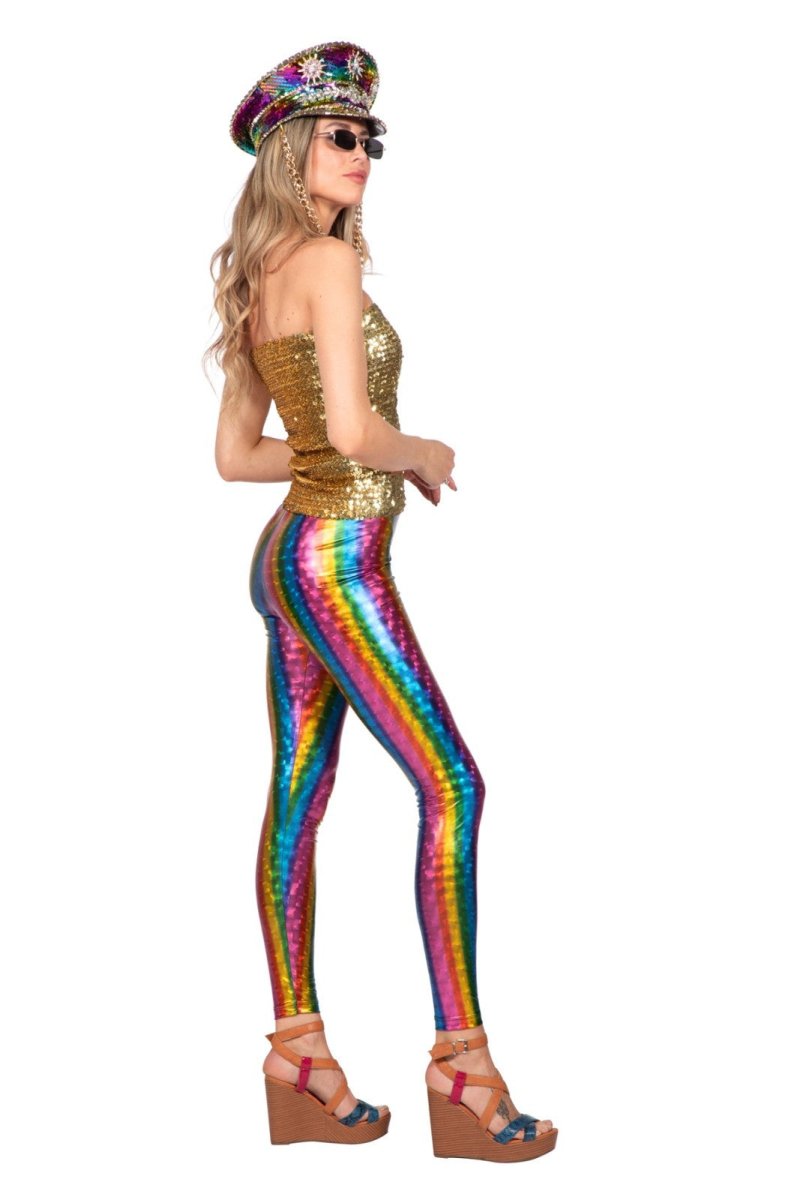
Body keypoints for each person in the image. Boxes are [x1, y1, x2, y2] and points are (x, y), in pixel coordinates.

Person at [204, 41, 558, 1163]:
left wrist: (346, 454)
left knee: (300, 794)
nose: (362, 153)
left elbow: (240, 456)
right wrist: (420, 452)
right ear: (291, 153)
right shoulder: (324, 261)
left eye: (370, 138)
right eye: (341, 135)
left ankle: (298, 1058)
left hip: (289, 558)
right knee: (452, 785)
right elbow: (355, 434)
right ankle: (464, 1069)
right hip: (338, 563)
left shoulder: (263, 275)